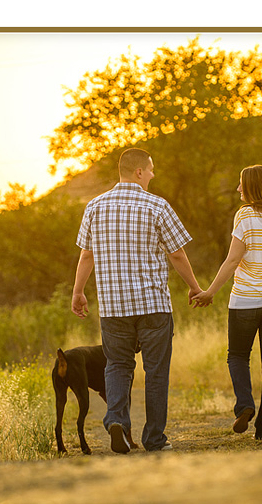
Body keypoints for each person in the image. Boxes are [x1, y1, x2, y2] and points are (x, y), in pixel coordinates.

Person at [71, 147, 203, 453]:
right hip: (154, 306)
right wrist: (195, 287)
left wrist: (78, 292)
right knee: (156, 371)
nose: (154, 175)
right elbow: (177, 253)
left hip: (113, 307)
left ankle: (116, 420)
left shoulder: (94, 206)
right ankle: (154, 439)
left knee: (117, 365)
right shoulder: (157, 206)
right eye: (152, 169)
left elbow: (86, 255)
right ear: (139, 172)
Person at [191, 165, 262, 441]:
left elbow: (233, 260)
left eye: (241, 184)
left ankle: (245, 405)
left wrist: (210, 291)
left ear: (252, 187)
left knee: (237, 356)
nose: (239, 189)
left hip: (245, 302)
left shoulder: (245, 216)